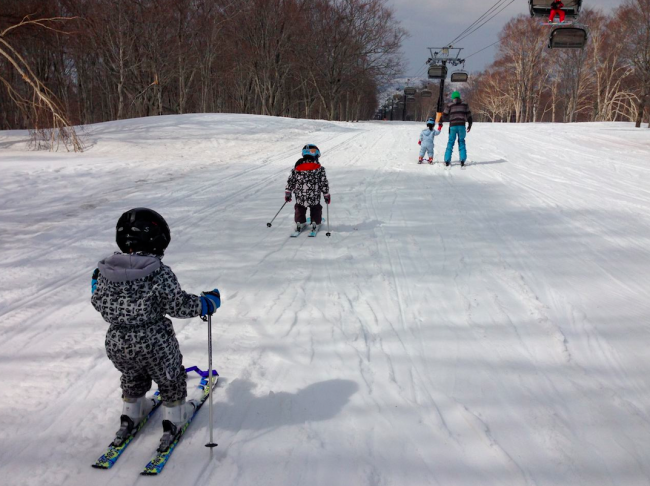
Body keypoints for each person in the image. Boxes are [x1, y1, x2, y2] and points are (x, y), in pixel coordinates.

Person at [91, 207, 221, 450]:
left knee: (132, 374)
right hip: (155, 342)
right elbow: (178, 305)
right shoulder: (159, 273)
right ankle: (175, 416)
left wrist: (96, 286)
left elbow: (98, 300)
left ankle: (133, 410)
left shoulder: (104, 272)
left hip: (117, 342)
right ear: (158, 239)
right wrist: (206, 304)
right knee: (170, 376)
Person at [285, 144, 330, 232]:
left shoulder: (297, 167)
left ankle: (299, 222)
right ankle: (315, 222)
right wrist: (326, 195)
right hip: (314, 195)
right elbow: (323, 182)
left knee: (299, 207)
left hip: (300, 195)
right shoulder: (320, 168)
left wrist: (288, 192)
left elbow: (291, 180)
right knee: (315, 208)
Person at [442, 91, 473, 167]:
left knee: (450, 142)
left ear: (453, 98)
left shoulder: (450, 105)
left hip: (453, 126)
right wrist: (469, 125)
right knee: (461, 141)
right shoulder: (465, 104)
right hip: (462, 126)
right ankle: (462, 160)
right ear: (459, 97)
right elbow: (469, 116)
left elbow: (444, 115)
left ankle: (447, 160)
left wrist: (441, 121)